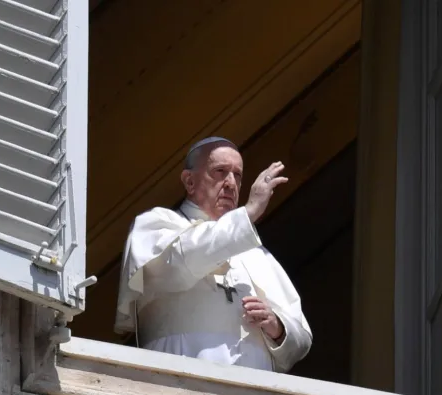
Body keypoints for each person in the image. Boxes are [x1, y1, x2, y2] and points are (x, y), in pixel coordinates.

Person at [115, 137, 312, 372]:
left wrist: (278, 328)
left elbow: (301, 341)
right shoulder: (156, 225)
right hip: (178, 383)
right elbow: (180, 261)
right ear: (189, 181)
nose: (230, 183)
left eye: (237, 175)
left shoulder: (257, 254)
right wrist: (248, 214)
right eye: (220, 172)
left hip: (253, 394)